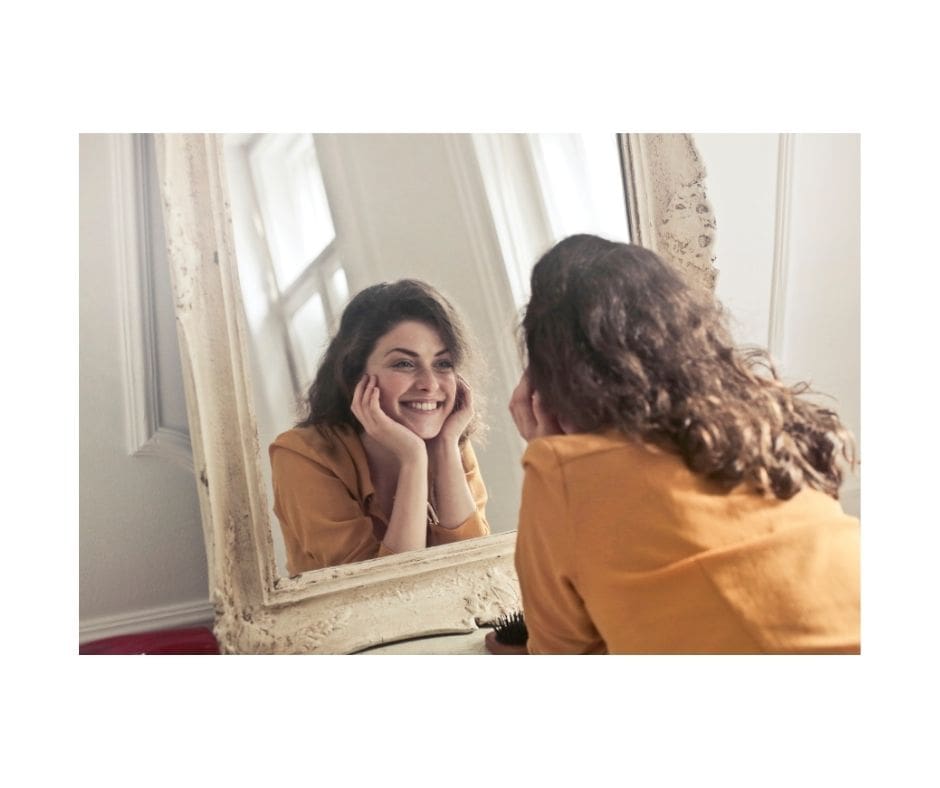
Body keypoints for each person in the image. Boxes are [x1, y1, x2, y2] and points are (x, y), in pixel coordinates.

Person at [508, 234, 859, 654]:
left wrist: (544, 449)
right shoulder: (766, 422)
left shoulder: (565, 473)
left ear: (550, 385)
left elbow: (562, 656)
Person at [270, 279, 489, 575]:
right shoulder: (301, 454)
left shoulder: (449, 442)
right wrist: (413, 459)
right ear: (355, 374)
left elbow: (475, 572)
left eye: (443, 364)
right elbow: (380, 589)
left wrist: (446, 448)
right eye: (404, 364)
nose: (429, 384)